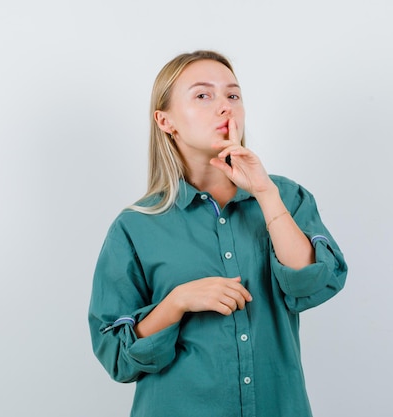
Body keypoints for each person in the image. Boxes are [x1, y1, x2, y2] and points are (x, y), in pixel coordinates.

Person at [88, 50, 348, 417]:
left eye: (233, 95)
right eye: (202, 95)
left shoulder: (286, 197)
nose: (225, 107)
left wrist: (265, 193)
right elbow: (116, 356)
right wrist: (176, 302)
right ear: (166, 121)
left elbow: (313, 283)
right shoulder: (135, 226)